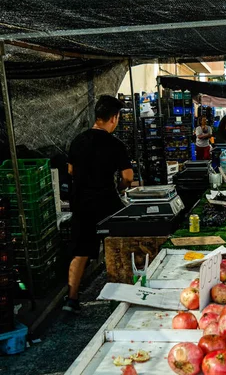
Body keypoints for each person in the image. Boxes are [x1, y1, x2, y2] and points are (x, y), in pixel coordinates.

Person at [64, 95, 133, 313]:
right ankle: (124, 295)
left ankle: (71, 299)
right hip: (107, 203)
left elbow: (70, 171)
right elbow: (128, 176)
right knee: (118, 246)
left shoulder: (77, 141)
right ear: (114, 118)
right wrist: (121, 187)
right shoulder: (115, 144)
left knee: (80, 251)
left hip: (81, 203)